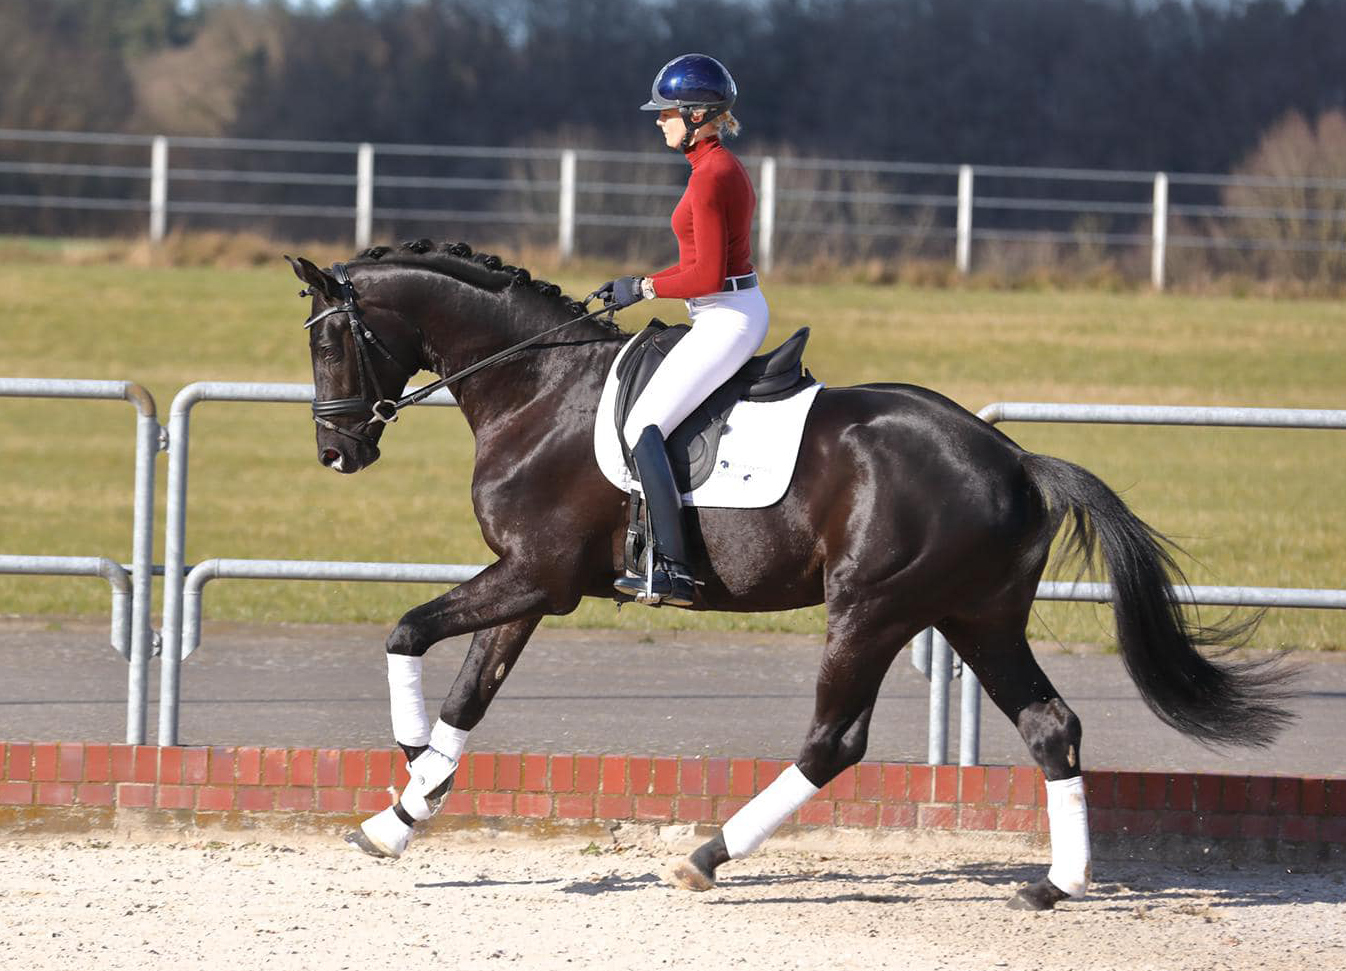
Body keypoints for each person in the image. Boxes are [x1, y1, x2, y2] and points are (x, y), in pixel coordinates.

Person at [595, 53, 768, 608]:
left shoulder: (713, 175)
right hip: (720, 309)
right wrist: (633, 282)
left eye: (666, 112)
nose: (658, 120)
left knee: (645, 422)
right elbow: (698, 268)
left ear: (696, 115)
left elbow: (707, 275)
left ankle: (671, 567)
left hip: (729, 316)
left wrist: (644, 288)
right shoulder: (709, 168)